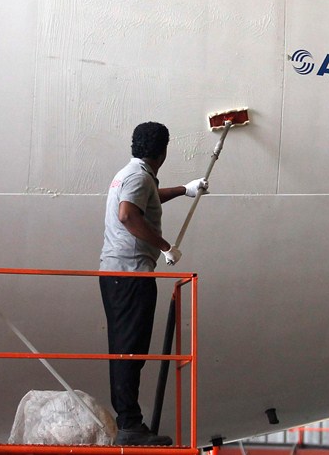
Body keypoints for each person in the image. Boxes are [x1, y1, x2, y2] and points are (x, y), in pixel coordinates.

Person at [99, 121, 207, 446]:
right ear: (163, 151)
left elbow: (148, 198)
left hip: (120, 274)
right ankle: (130, 425)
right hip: (130, 274)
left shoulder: (133, 174)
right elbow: (128, 214)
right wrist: (165, 247)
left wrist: (185, 190)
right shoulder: (137, 176)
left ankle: (129, 422)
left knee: (128, 347)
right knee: (129, 349)